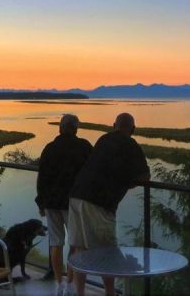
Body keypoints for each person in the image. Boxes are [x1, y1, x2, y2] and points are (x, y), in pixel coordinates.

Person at [68, 113, 150, 296]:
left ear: (114, 125)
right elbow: (145, 177)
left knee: (80, 250)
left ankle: (79, 293)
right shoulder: (130, 145)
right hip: (98, 203)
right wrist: (127, 183)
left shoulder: (103, 138)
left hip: (76, 196)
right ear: (133, 129)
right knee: (108, 253)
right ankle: (110, 294)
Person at [35, 114, 92, 296]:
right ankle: (70, 283)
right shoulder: (84, 147)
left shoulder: (50, 148)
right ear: (75, 129)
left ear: (60, 128)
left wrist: (41, 203)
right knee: (75, 244)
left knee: (56, 243)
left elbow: (42, 178)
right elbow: (91, 173)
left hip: (51, 202)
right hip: (73, 203)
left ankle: (58, 283)